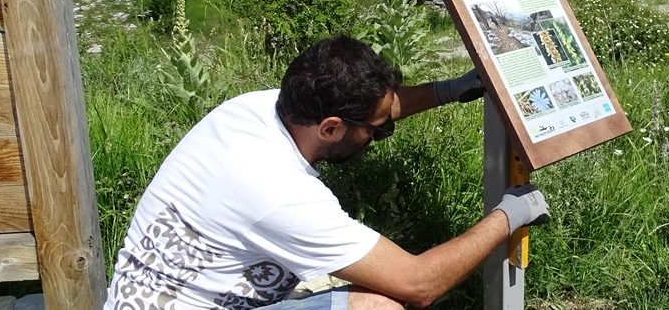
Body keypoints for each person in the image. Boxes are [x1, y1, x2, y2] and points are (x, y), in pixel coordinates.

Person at [104, 34, 550, 309]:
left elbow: (380, 107)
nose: (382, 135)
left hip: (148, 297)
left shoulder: (256, 109)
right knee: (379, 309)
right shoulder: (280, 194)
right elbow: (420, 284)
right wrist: (509, 214)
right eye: (379, 132)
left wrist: (455, 88)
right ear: (332, 127)